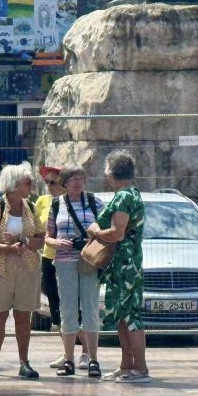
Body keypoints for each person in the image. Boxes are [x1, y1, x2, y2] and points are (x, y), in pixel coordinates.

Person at [88, 151, 149, 383]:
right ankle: (126, 365)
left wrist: (94, 231)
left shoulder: (124, 197)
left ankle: (141, 368)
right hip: (123, 263)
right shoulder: (131, 194)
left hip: (125, 265)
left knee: (131, 314)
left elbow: (117, 232)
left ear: (111, 172)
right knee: (122, 315)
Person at [0, 162, 44, 379]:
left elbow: (41, 239)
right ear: (14, 185)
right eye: (27, 182)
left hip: (28, 268)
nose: (31, 185)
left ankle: (24, 363)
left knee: (23, 316)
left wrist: (21, 239)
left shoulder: (31, 207)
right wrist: (8, 248)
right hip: (0, 268)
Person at [45, 166, 103, 378]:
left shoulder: (94, 202)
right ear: (65, 182)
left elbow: (105, 229)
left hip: (89, 259)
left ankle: (93, 359)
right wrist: (57, 242)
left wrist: (94, 237)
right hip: (64, 260)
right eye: (73, 179)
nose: (78, 183)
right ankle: (68, 359)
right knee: (67, 309)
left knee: (89, 307)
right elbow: (47, 236)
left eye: (81, 179)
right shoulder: (55, 204)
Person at [33, 165, 64, 333]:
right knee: (54, 304)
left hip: (70, 258)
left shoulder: (72, 201)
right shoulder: (42, 201)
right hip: (48, 257)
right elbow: (34, 228)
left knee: (71, 304)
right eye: (47, 182)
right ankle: (65, 347)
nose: (49, 186)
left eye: (53, 182)